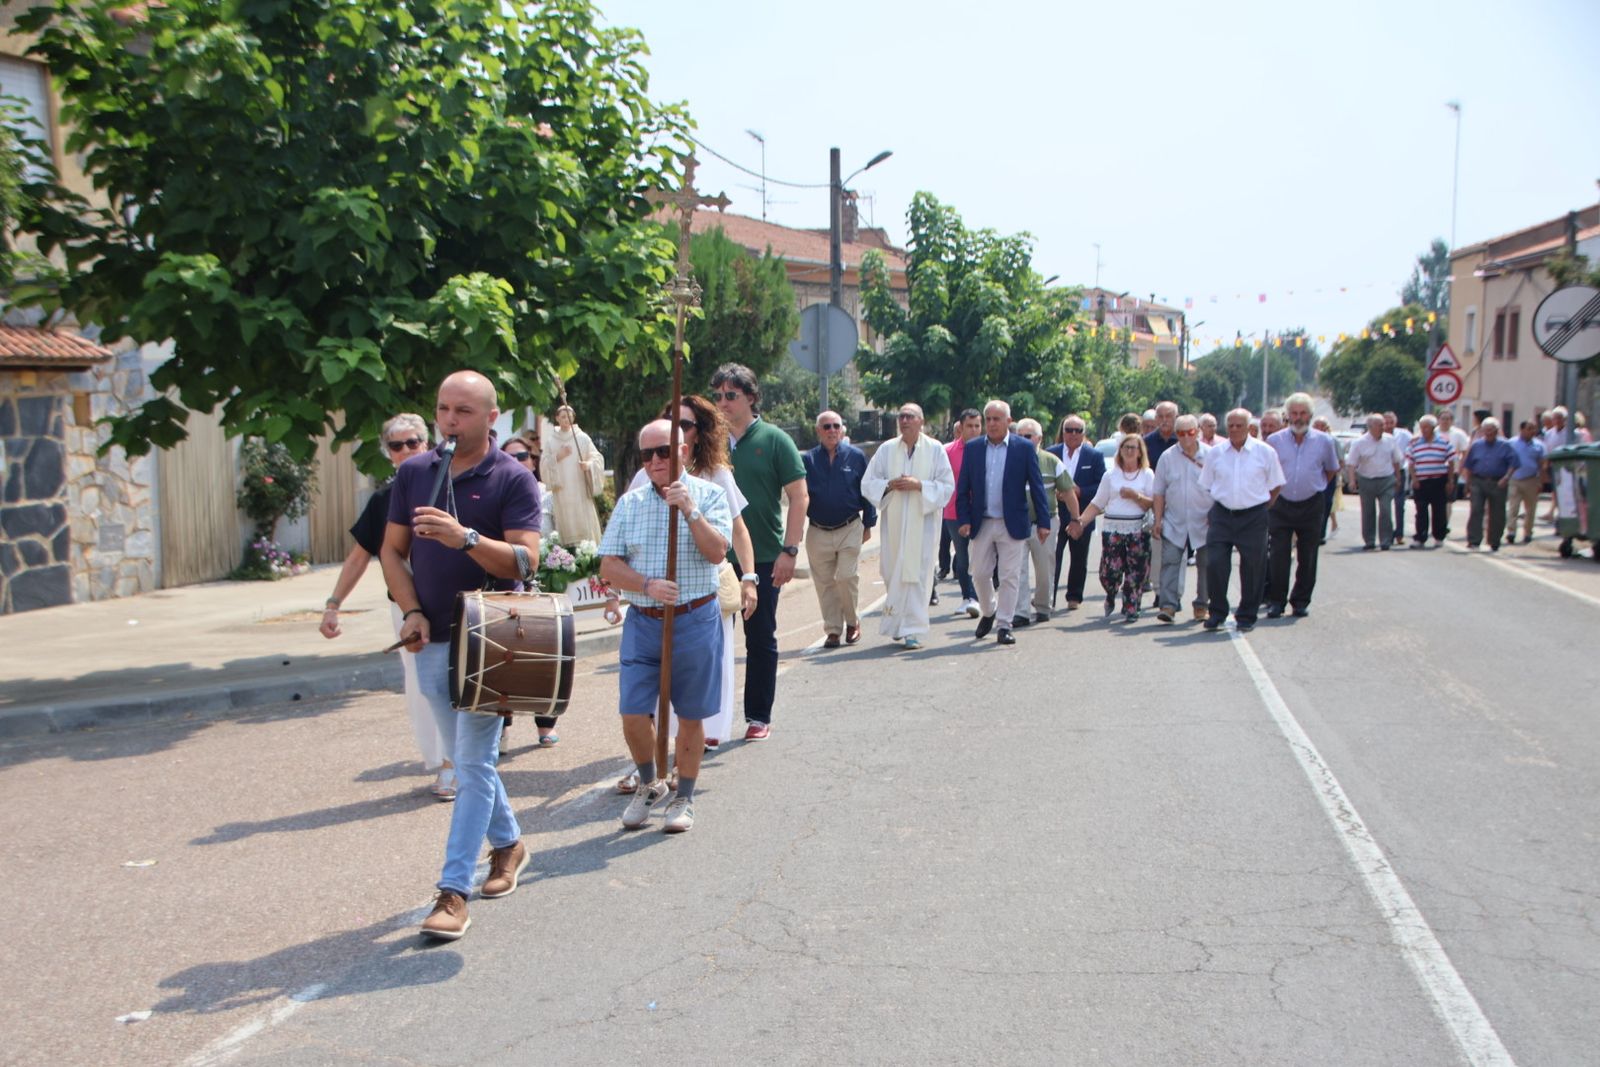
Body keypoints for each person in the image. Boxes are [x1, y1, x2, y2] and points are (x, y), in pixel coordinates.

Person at [381, 371, 542, 941]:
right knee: (468, 762)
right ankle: (510, 845)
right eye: (443, 409)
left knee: (471, 763)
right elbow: (391, 551)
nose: (449, 421)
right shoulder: (414, 473)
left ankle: (453, 891)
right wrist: (411, 611)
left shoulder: (513, 478)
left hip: (492, 638)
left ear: (491, 417)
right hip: (432, 636)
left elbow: (525, 563)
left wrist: (465, 539)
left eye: (464, 411)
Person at [599, 419, 733, 836]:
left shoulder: (710, 495)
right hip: (644, 621)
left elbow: (716, 553)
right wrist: (646, 585)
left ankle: (684, 796)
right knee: (633, 711)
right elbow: (608, 565)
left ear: (684, 452)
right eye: (647, 454)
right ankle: (649, 782)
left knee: (690, 713)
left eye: (664, 451)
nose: (655, 461)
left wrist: (689, 510)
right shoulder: (630, 503)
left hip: (695, 618)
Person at [617, 395, 758, 768]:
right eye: (669, 420)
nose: (655, 460)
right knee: (639, 699)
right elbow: (620, 544)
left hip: (699, 598)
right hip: (646, 608)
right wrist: (620, 592)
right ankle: (646, 769)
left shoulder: (715, 476)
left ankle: (685, 767)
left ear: (695, 434)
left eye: (685, 424)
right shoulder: (643, 478)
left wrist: (749, 577)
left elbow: (737, 532)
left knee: (691, 698)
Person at [320, 414, 452, 793]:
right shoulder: (384, 499)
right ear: (388, 453)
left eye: (414, 443)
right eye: (398, 445)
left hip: (454, 599)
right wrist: (333, 604)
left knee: (456, 678)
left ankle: (457, 759)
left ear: (427, 445)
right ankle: (444, 758)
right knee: (422, 685)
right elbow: (360, 556)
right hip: (407, 606)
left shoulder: (449, 488)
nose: (407, 450)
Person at [713, 363, 807, 741]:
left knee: (760, 637)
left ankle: (757, 715)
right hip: (716, 557)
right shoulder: (710, 444)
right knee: (714, 642)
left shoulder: (774, 440)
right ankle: (710, 723)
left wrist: (790, 550)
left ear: (751, 398)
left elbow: (799, 497)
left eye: (731, 396)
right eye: (718, 396)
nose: (723, 403)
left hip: (766, 556)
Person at [954, 400, 1050, 645]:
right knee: (979, 573)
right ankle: (989, 610)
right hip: (982, 521)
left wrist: (1043, 521)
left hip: (1012, 522)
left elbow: (1037, 486)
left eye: (998, 419)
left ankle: (1005, 625)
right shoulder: (974, 448)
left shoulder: (1023, 448)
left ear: (1009, 421)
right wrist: (963, 518)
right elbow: (963, 487)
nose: (992, 424)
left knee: (1009, 576)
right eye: (989, 419)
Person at [862, 403, 954, 650]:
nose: (904, 420)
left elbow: (946, 486)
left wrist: (920, 485)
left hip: (922, 525)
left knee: (918, 575)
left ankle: (913, 631)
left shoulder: (935, 450)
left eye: (910, 416)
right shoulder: (887, 449)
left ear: (920, 422)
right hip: (894, 524)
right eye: (901, 416)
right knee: (892, 572)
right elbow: (868, 482)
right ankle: (898, 624)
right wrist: (890, 485)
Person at [1198, 408, 1285, 633]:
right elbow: (1207, 483)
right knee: (1215, 563)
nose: (1235, 430)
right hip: (1222, 515)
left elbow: (1276, 485)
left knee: (1253, 567)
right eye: (1231, 426)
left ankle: (1247, 615)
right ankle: (1217, 612)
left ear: (1249, 428)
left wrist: (1263, 506)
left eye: (1239, 425)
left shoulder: (1265, 452)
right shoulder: (1216, 453)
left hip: (1253, 516)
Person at [501, 435, 558, 750]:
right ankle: (502, 729)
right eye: (508, 456)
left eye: (522, 455)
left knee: (545, 662)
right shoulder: (499, 493)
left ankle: (545, 725)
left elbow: (567, 536)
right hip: (513, 591)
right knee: (507, 660)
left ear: (533, 460)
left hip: (547, 589)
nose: (516, 462)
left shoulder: (550, 496)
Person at [801, 410, 876, 648]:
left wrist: (869, 523)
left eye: (836, 426)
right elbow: (799, 495)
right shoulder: (808, 460)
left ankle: (853, 623)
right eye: (826, 427)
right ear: (818, 431)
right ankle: (833, 629)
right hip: (817, 530)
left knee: (846, 576)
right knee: (824, 583)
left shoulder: (856, 456)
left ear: (842, 429)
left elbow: (867, 490)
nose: (831, 430)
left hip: (850, 526)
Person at [1265, 393, 1341, 617]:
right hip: (1281, 503)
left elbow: (1330, 470)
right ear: (1287, 416)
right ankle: (1276, 601)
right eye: (1294, 413)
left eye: (1303, 413)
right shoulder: (1275, 441)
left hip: (1311, 504)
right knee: (1278, 554)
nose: (1298, 418)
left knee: (1308, 554)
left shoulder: (1325, 441)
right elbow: (1268, 473)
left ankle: (1300, 601)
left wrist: (1313, 486)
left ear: (1310, 415)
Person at [1070, 433, 1155, 621]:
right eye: (1126, 447)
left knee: (1136, 572)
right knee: (1109, 573)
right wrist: (1080, 522)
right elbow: (1097, 503)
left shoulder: (1147, 474)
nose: (1129, 451)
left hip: (1137, 530)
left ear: (1140, 452)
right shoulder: (1111, 475)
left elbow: (1152, 503)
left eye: (1133, 448)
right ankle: (1110, 593)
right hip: (1113, 529)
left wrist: (1135, 496)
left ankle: (1131, 607)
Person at [1012, 418, 1076, 626]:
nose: (1023, 440)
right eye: (1019, 436)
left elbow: (1068, 491)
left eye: (1028, 436)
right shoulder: (1009, 459)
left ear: (1039, 438)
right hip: (1016, 523)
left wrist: (1077, 520)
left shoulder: (1051, 461)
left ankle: (1042, 606)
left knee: (1044, 567)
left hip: (1045, 522)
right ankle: (1020, 611)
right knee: (1017, 569)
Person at [1151, 415, 1210, 623]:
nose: (1186, 437)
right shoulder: (1167, 457)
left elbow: (1219, 488)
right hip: (1174, 520)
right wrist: (1157, 520)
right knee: (1170, 562)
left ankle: (1202, 605)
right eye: (1181, 433)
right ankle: (1168, 605)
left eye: (1190, 432)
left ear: (1198, 431)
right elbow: (1158, 492)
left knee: (1206, 564)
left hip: (1204, 521)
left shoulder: (1210, 455)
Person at [1049, 414, 1104, 611]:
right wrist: (1056, 492)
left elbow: (1100, 486)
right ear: (1062, 432)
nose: (1073, 434)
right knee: (1052, 557)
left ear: (1083, 433)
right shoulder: (1052, 453)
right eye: (1069, 430)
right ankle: (1048, 598)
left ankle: (1074, 596)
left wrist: (1079, 491)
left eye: (1077, 431)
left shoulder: (1094, 456)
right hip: (1056, 512)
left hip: (1082, 514)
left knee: (1079, 558)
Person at [539, 404, 605, 544]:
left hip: (579, 488)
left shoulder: (582, 438)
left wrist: (589, 465)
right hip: (563, 491)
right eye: (563, 416)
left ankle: (588, 551)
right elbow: (544, 464)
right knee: (566, 526)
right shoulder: (552, 441)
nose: (566, 419)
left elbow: (596, 457)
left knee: (584, 527)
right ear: (557, 418)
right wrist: (558, 456)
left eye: (569, 416)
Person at [942, 408, 984, 617]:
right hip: (954, 512)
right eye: (970, 426)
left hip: (982, 511)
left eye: (978, 426)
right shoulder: (947, 451)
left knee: (982, 555)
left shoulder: (987, 449)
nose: (974, 430)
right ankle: (969, 597)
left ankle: (983, 595)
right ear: (960, 427)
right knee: (963, 556)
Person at [1344, 414, 1404, 551]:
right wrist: (1352, 481)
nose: (1383, 428)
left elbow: (1396, 460)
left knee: (1385, 510)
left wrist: (1398, 478)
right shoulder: (1359, 442)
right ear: (1370, 427)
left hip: (1386, 479)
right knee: (1368, 511)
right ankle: (1369, 540)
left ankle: (1386, 540)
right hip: (1366, 479)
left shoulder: (1390, 440)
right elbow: (1352, 464)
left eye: (1383, 425)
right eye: (1380, 425)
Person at [1462, 417, 1517, 551]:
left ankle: (1494, 540)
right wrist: (1467, 484)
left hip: (1497, 481)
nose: (1489, 434)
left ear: (1497, 431)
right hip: (1478, 480)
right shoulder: (1476, 445)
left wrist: (1507, 477)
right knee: (1476, 509)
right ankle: (1474, 540)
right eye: (1486, 431)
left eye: (1491, 431)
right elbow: (1468, 465)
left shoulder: (1505, 445)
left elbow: (1514, 463)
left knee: (1497, 512)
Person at [1405, 415, 1456, 548]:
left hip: (1438, 480)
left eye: (1426, 427)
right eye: (1422, 427)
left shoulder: (1443, 442)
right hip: (1421, 481)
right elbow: (1411, 463)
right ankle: (1420, 537)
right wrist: (1414, 479)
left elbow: (1451, 461)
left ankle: (1439, 536)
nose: (1424, 430)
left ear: (1433, 428)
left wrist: (1450, 480)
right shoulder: (1415, 443)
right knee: (1421, 510)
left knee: (1439, 510)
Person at [1505, 420, 1548, 545]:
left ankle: (1528, 532)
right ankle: (1511, 532)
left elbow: (1542, 464)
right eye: (1529, 428)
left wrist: (1541, 481)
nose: (1532, 431)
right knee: (1513, 507)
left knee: (1530, 509)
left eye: (1534, 428)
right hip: (1515, 479)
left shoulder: (1539, 445)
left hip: (1531, 479)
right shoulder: (1511, 443)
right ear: (1522, 430)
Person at [1311, 416, 1345, 541]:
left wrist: (1331, 476)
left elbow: (1340, 462)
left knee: (1325, 505)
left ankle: (1321, 534)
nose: (1319, 428)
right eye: (1316, 426)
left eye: (1322, 426)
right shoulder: (1307, 439)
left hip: (1328, 478)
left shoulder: (1332, 441)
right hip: (1312, 477)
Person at [1383, 411, 1412, 546]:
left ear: (1395, 422)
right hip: (1384, 472)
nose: (1388, 425)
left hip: (1400, 471)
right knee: (1385, 506)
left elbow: (1414, 441)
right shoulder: (1378, 435)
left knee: (1399, 504)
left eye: (1391, 422)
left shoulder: (1404, 434)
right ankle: (1387, 534)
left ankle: (1399, 533)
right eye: (1386, 423)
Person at [1437, 408, 1471, 502]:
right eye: (1443, 419)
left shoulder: (1459, 434)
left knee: (1449, 498)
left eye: (1448, 419)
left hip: (1453, 470)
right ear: (1438, 420)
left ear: (1451, 421)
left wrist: (1461, 468)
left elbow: (1465, 452)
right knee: (1437, 498)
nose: (1445, 421)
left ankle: (1446, 516)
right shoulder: (1434, 433)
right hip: (1436, 470)